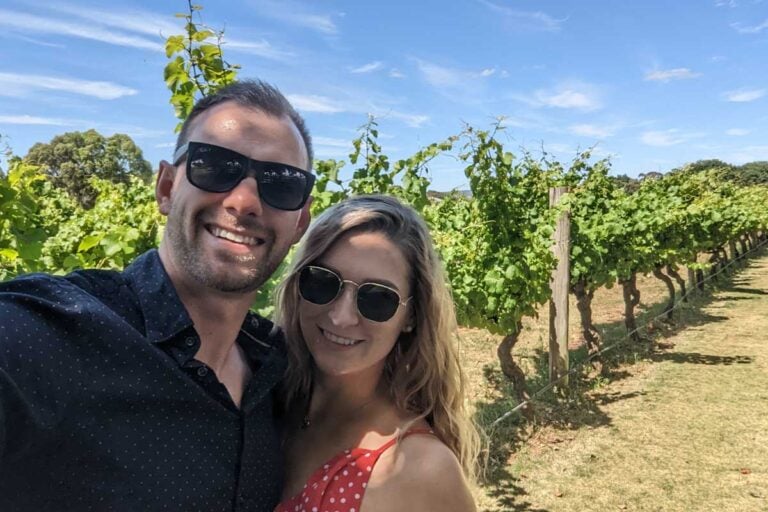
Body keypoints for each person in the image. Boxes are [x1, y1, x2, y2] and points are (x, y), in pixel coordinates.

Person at [0, 80, 314, 511]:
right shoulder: (57, 336)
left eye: (281, 183)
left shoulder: (278, 371)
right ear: (166, 188)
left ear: (299, 224)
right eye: (215, 165)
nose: (244, 201)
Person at [274, 195, 481, 512]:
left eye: (377, 298)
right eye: (322, 281)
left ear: (411, 316)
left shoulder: (421, 467)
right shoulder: (265, 400)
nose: (341, 316)